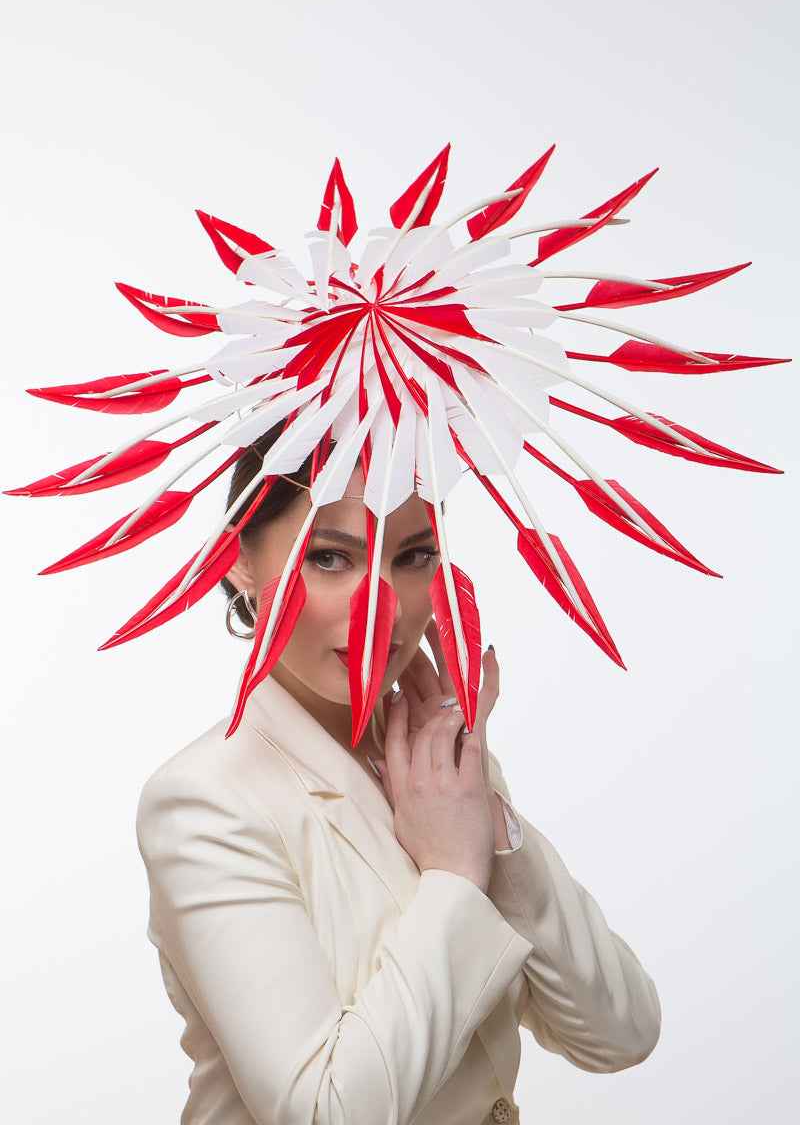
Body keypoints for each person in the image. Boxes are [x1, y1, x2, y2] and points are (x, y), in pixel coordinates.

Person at [137, 427, 661, 1125]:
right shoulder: (205, 802)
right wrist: (450, 873)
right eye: (330, 558)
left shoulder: (436, 760)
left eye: (413, 556)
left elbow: (620, 1033)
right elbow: (320, 1112)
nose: (381, 604)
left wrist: (487, 816)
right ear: (239, 564)